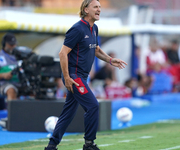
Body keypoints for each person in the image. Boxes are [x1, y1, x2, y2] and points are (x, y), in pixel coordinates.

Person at [44, 0, 127, 150]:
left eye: (100, 7)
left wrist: (109, 59)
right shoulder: (77, 29)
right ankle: (89, 144)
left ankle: (52, 145)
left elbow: (95, 49)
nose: (99, 10)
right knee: (93, 106)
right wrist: (67, 77)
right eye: (95, 7)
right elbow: (62, 53)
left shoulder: (94, 28)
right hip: (74, 76)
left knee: (68, 113)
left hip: (81, 77)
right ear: (86, 9)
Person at [0, 33, 19, 101]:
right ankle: (12, 110)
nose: (13, 46)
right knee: (11, 90)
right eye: (11, 45)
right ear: (4, 44)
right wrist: (3, 75)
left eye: (15, 44)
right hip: (3, 85)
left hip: (20, 83)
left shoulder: (19, 56)